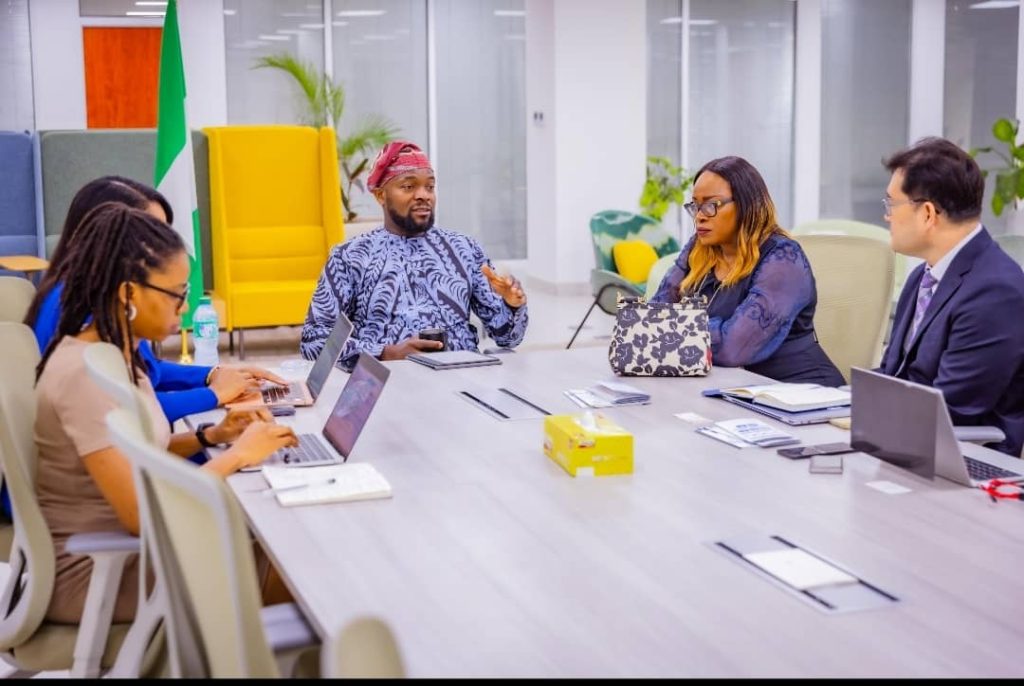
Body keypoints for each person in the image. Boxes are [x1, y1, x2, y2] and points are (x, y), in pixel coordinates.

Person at [34, 203, 298, 624]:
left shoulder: (115, 353)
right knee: (293, 559)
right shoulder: (83, 375)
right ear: (128, 294)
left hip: (128, 556)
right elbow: (140, 515)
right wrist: (239, 457)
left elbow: (135, 451)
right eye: (176, 294)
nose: (184, 307)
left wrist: (212, 437)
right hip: (101, 577)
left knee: (283, 544)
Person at [25, 175, 284, 424]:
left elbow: (149, 372)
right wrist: (214, 394)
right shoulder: (82, 312)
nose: (162, 247)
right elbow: (124, 412)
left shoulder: (94, 294)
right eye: (151, 234)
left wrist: (213, 375)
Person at [300, 141, 528, 370]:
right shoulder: (349, 257)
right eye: (408, 187)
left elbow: (508, 338)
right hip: (387, 384)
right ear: (381, 195)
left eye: (429, 187)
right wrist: (385, 353)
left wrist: (512, 306)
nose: (423, 195)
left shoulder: (465, 249)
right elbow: (314, 342)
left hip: (462, 379)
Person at [878, 137, 1024, 457]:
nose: (887, 216)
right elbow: (892, 374)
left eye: (891, 204)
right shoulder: (924, 276)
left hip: (965, 464)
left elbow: (952, 410)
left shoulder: (996, 292)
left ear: (928, 214)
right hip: (904, 442)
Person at [651, 156, 844, 386]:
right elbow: (649, 321)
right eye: (695, 206)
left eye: (711, 205)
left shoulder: (783, 260)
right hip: (732, 391)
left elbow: (734, 349)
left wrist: (675, 328)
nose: (700, 216)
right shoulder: (698, 249)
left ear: (746, 205)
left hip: (800, 397)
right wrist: (700, 329)